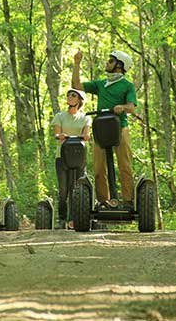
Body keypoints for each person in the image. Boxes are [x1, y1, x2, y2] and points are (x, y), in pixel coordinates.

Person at [72, 50, 137, 210]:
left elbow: (131, 107)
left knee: (125, 166)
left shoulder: (127, 86)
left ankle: (128, 201)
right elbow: (77, 86)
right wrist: (76, 64)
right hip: (101, 128)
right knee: (99, 168)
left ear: (119, 65)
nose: (107, 63)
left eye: (110, 61)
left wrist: (122, 107)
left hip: (120, 128)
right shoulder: (101, 84)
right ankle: (104, 202)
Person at [51, 89, 91, 229]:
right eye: (68, 95)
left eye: (73, 95)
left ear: (79, 99)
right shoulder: (60, 116)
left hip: (79, 157)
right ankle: (62, 218)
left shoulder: (85, 117)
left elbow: (86, 134)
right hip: (62, 156)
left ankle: (77, 218)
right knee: (64, 189)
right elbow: (56, 133)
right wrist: (60, 135)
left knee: (79, 188)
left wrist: (85, 136)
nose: (69, 97)